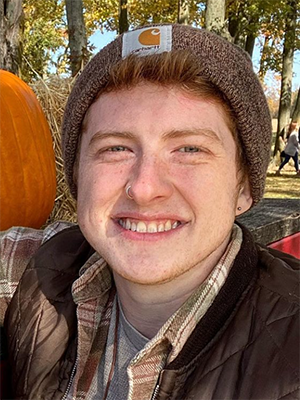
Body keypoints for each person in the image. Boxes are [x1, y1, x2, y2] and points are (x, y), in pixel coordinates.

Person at [1, 24, 300, 400]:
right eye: (116, 148)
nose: (144, 189)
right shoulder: (32, 270)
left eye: (189, 149)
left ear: (243, 188)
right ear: (77, 175)